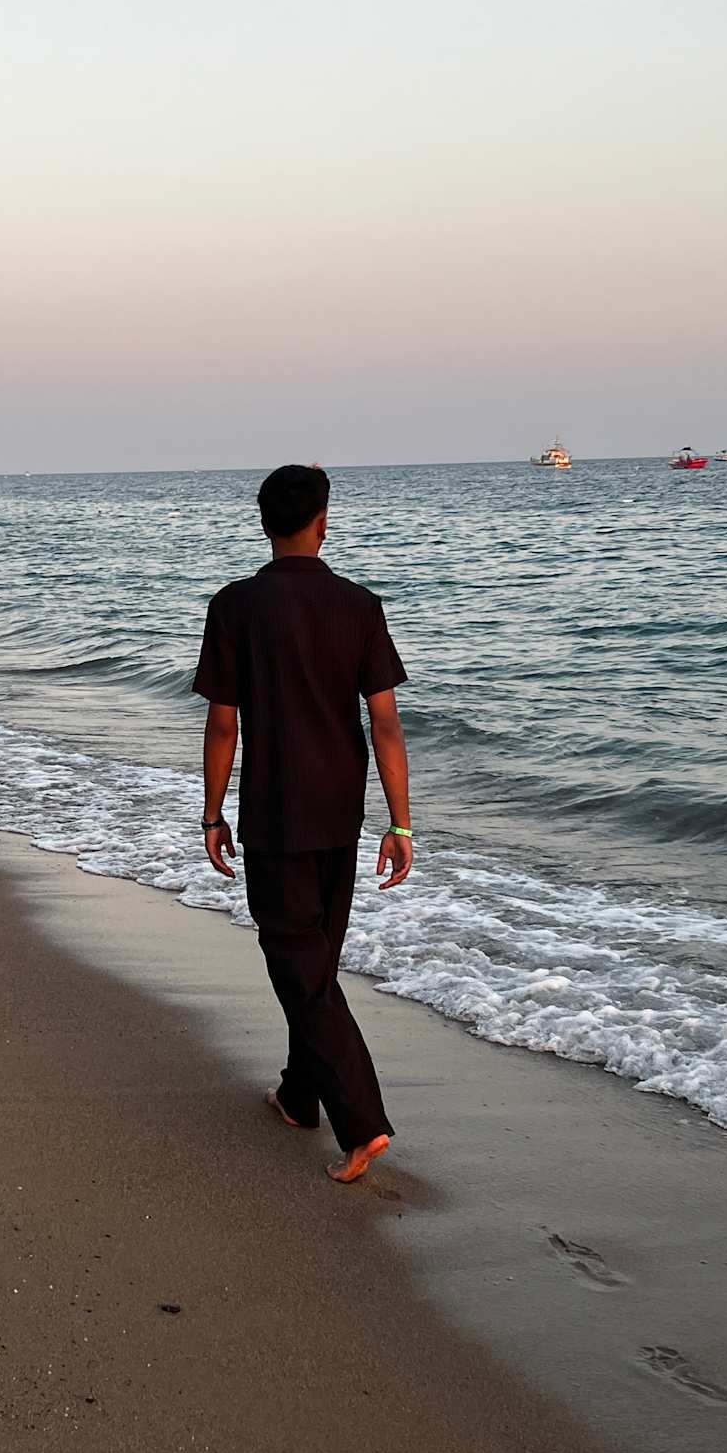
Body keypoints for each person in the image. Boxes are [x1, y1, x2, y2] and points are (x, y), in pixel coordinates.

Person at [192, 464, 413, 1183]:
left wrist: (212, 812)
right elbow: (385, 723)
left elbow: (223, 724)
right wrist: (400, 825)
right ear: (323, 523)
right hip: (340, 810)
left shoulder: (236, 605)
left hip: (275, 811)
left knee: (303, 971)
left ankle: (362, 1123)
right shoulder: (358, 605)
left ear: (265, 524)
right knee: (311, 964)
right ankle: (298, 1095)